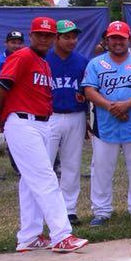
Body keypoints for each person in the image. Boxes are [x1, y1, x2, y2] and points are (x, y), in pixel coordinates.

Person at [0, 16, 89, 253]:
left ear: (53, 38)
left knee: (30, 183)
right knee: (46, 178)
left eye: (48, 35)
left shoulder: (44, 63)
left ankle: (28, 236)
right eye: (39, 34)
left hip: (39, 123)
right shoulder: (22, 56)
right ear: (31, 36)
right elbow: (3, 86)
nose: (44, 38)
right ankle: (62, 235)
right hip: (22, 122)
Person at [82, 21, 131, 227]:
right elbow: (89, 90)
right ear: (107, 40)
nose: (117, 42)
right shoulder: (95, 63)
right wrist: (112, 107)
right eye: (113, 38)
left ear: (128, 39)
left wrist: (126, 105)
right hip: (104, 122)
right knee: (101, 168)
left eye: (121, 38)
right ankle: (101, 211)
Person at [46, 19, 89, 225]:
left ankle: (69, 210)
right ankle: (44, 210)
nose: (72, 40)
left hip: (76, 115)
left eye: (74, 36)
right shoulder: (44, 59)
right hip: (49, 117)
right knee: (45, 165)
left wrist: (89, 119)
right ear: (56, 37)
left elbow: (88, 92)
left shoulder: (82, 61)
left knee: (72, 165)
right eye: (66, 37)